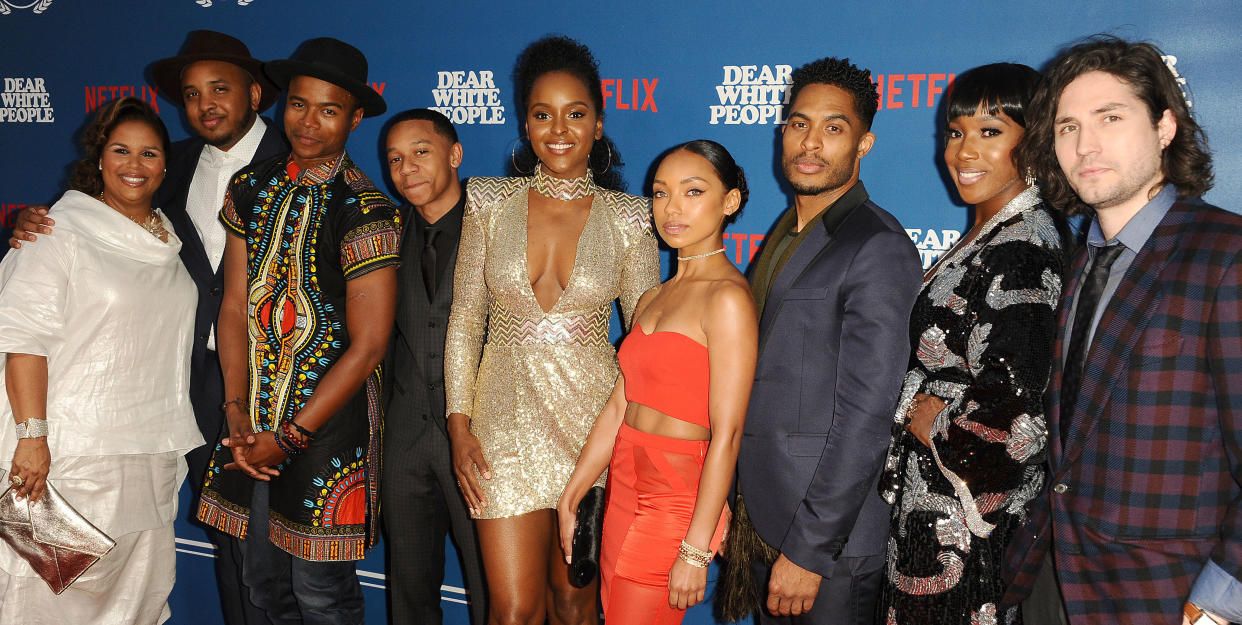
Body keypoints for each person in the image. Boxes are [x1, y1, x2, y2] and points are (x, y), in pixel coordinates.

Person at [9, 31, 285, 624]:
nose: (205, 104)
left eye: (220, 89)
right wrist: (35, 223)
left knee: (268, 563)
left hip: (264, 391)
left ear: (255, 93)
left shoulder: (301, 159)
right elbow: (28, 325)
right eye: (191, 94)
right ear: (100, 157)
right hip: (124, 418)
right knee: (54, 581)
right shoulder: (160, 172)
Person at [1000, 36, 1242, 625]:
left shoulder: (1226, 255)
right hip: (1053, 582)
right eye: (1067, 127)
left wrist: (1221, 598)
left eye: (1110, 117)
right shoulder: (1082, 261)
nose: (1086, 145)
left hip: (1168, 594)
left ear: (1165, 127)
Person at [444, 35, 660, 625]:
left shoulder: (630, 217)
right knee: (512, 609)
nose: (558, 129)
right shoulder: (487, 202)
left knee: (574, 602)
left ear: (598, 122)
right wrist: (459, 426)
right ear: (525, 121)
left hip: (591, 428)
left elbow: (645, 338)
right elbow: (466, 319)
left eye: (575, 113)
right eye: (542, 114)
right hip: (501, 427)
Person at [194, 37, 400, 625]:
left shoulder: (365, 209)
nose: (308, 122)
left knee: (321, 593)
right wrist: (237, 411)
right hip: (248, 419)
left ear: (356, 118)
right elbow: (232, 307)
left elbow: (369, 347)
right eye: (299, 105)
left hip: (327, 430)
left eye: (328, 110)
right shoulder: (250, 189)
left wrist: (288, 436)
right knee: (261, 585)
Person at [726, 56, 923, 625]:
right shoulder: (787, 233)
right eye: (798, 123)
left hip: (826, 546)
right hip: (767, 518)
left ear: (864, 143)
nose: (810, 143)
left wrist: (810, 551)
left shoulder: (877, 245)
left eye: (834, 128)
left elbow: (867, 416)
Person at [0, 97, 204, 623]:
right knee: (50, 594)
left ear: (166, 163)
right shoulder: (55, 233)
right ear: (98, 159)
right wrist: (32, 438)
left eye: (149, 153)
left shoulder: (170, 237)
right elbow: (23, 339)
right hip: (67, 459)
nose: (134, 165)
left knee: (136, 593)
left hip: (150, 456)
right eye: (120, 150)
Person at [875, 63, 1065, 625]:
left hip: (967, 527)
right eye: (955, 133)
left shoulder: (1023, 249)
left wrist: (928, 417)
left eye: (990, 132)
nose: (963, 152)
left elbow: (1017, 405)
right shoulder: (997, 233)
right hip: (935, 506)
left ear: (1033, 141)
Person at [556, 140, 757, 624]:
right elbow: (619, 404)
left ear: (728, 202)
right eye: (661, 192)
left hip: (674, 496)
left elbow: (727, 436)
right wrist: (573, 493)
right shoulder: (653, 295)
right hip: (625, 478)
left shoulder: (727, 299)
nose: (672, 208)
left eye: (693, 191)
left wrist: (693, 550)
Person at [380, 108, 488, 625]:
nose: (407, 169)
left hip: (483, 440)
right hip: (403, 438)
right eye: (395, 159)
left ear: (455, 154)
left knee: (495, 590)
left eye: (420, 152)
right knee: (410, 593)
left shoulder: (499, 227)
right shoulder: (381, 237)